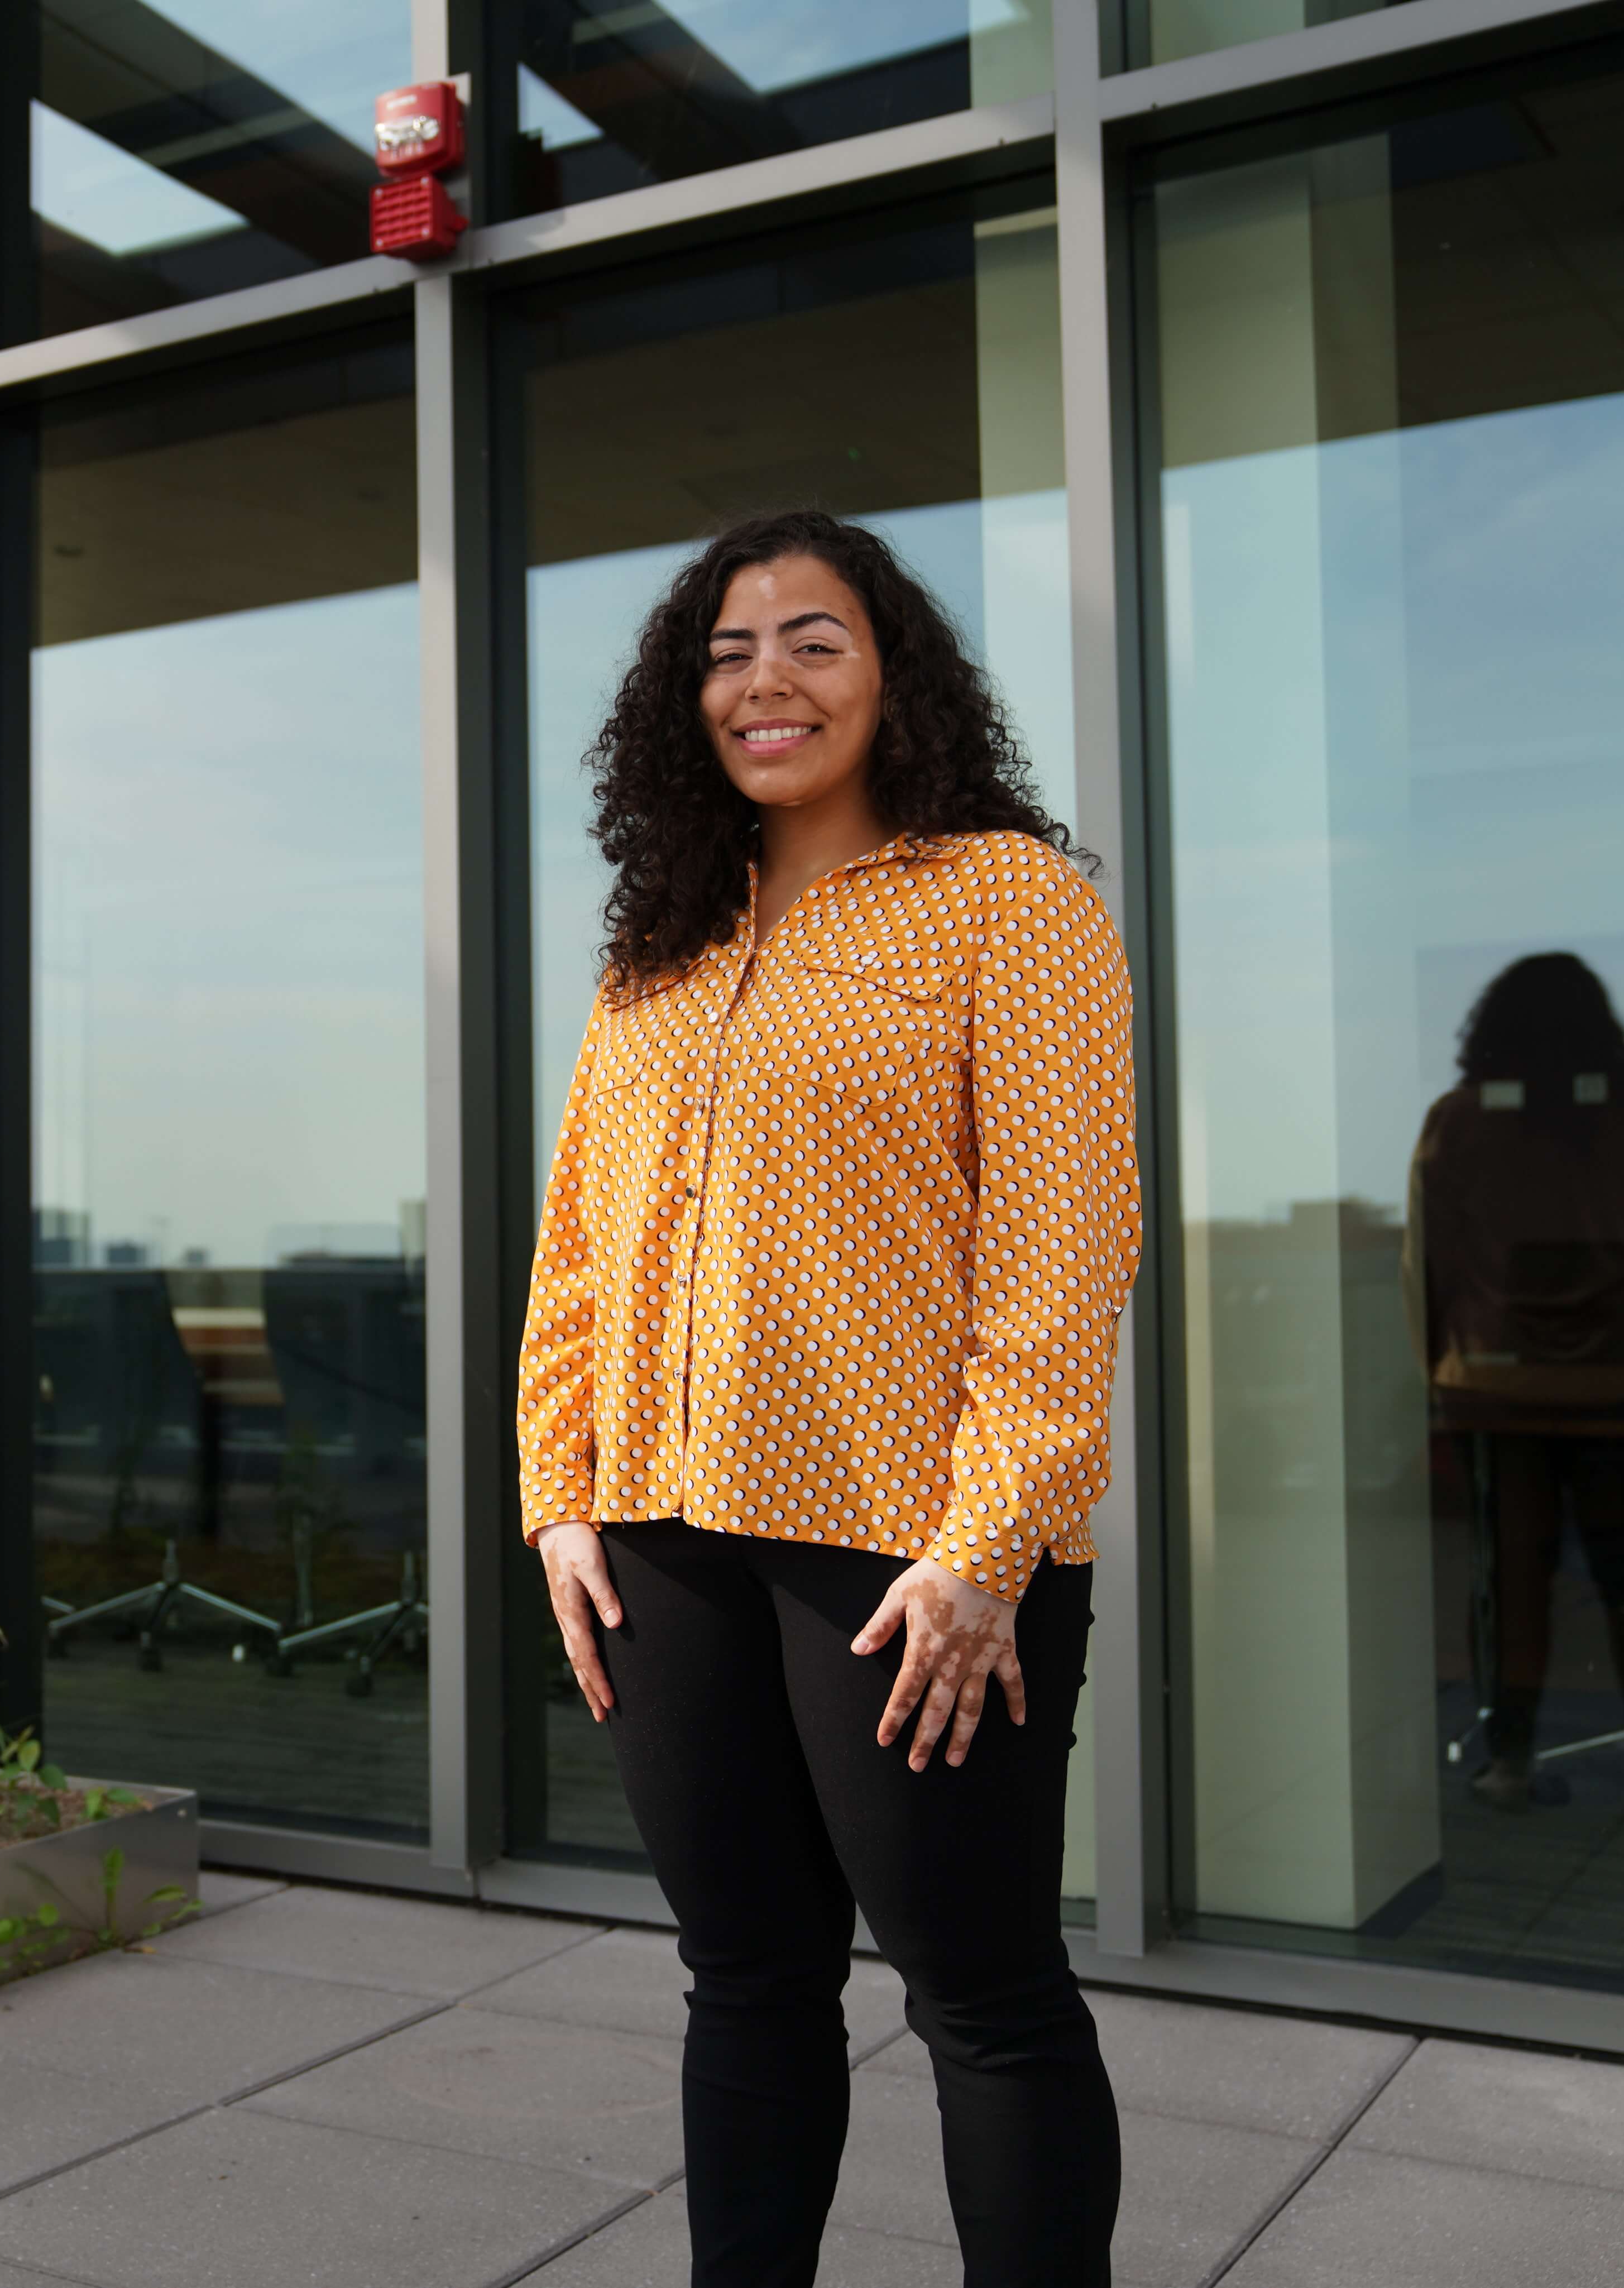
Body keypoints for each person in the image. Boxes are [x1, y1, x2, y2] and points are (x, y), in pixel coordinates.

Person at [521, 509, 1135, 2286]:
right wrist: (560, 1492)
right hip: (659, 1542)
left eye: (811, 640)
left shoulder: (1005, 902)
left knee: (986, 1999)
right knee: (746, 1979)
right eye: (726, 650)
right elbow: (576, 1249)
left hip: (912, 1567)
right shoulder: (664, 945)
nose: (764, 680)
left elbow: (1060, 1253)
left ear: (895, 676)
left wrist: (985, 1548)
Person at [1406, 952, 1624, 1820]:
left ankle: (1508, 1761)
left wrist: (1438, 1367)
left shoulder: (1459, 1122)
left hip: (1495, 1389)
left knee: (1507, 1580)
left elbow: (1426, 1263)